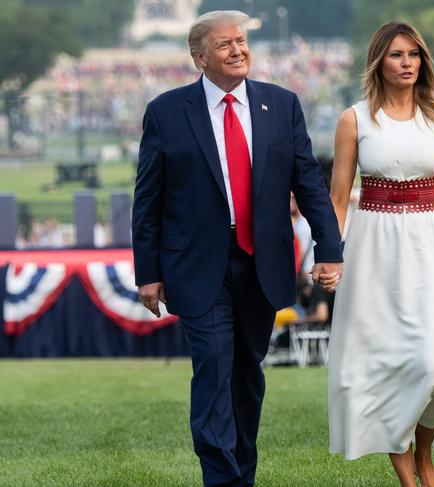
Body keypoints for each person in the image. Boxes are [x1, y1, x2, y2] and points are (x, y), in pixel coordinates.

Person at [131, 10, 343, 487]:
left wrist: (330, 248)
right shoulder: (166, 111)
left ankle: (241, 475)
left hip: (261, 263)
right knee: (213, 370)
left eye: (242, 41)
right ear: (199, 57)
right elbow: (149, 199)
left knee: (247, 375)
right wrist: (148, 271)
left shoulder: (282, 104)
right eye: (225, 44)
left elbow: (309, 183)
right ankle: (222, 480)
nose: (238, 50)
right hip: (196, 266)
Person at [327, 21, 434, 487]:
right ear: (378, 61)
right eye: (397, 55)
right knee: (383, 360)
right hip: (372, 248)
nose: (407, 63)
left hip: (430, 243)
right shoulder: (354, 119)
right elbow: (339, 198)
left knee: (429, 359)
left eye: (414, 55)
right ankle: (406, 472)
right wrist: (327, 257)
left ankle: (425, 456)